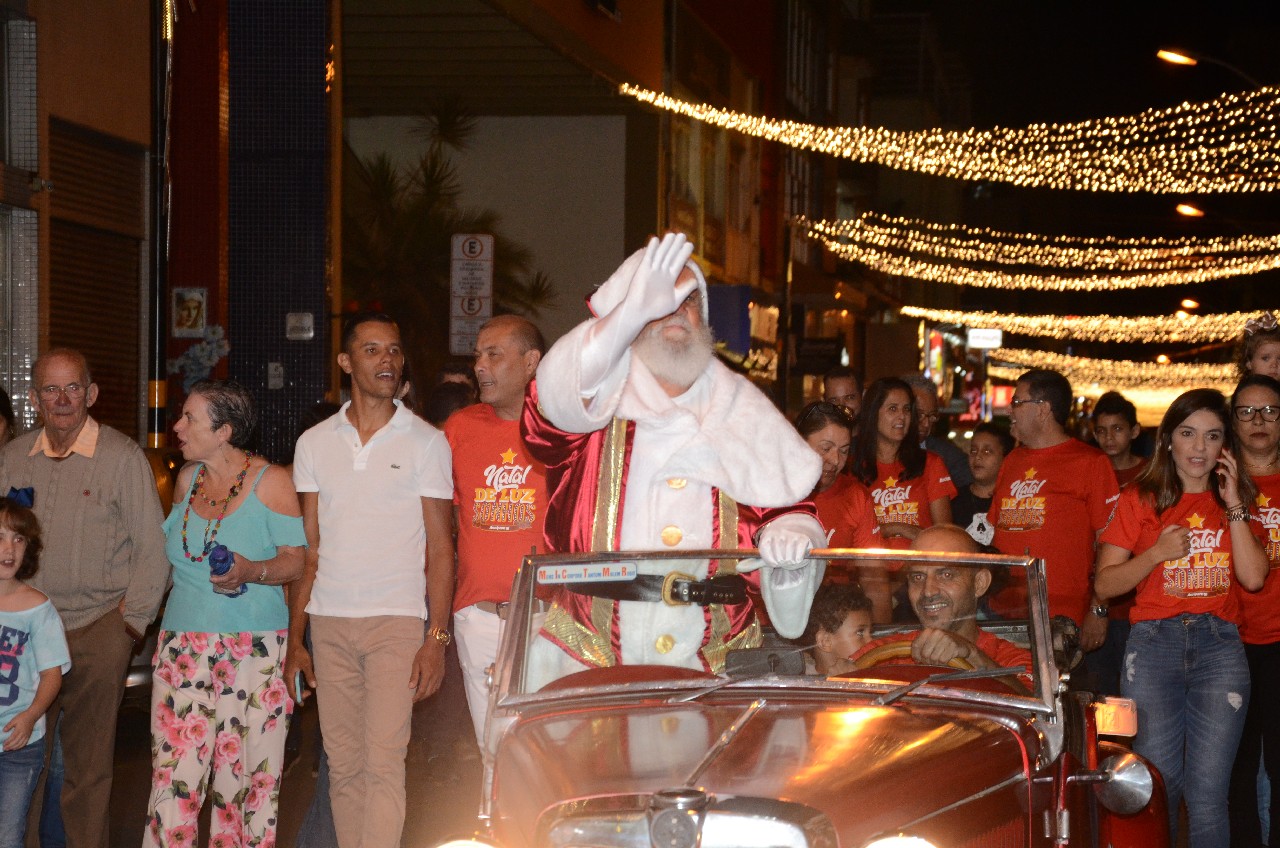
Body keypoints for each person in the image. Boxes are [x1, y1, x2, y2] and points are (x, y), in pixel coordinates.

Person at [521, 233, 826, 684]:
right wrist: (627, 315)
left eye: (688, 303)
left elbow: (785, 506)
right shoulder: (592, 408)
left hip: (715, 665)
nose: (676, 312)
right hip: (589, 657)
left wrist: (792, 534)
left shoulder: (744, 413)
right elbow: (547, 411)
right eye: (659, 303)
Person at [286, 313, 455, 848]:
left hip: (396, 624)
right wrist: (296, 638)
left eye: (395, 350)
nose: (387, 360)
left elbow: (441, 547)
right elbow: (309, 548)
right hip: (329, 623)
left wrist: (436, 638)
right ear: (346, 362)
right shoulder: (314, 442)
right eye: (373, 350)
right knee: (343, 766)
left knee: (384, 764)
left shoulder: (426, 442)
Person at [0, 348, 168, 848]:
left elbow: (153, 548)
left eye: (73, 387)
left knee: (88, 767)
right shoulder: (12, 458)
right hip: (26, 631)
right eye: (50, 389)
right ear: (34, 399)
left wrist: (130, 625)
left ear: (91, 394)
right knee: (22, 757)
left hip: (98, 628)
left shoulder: (121, 458)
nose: (63, 399)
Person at [1094, 388, 1266, 848]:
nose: (1198, 447)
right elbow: (1105, 584)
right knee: (1159, 788)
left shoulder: (1237, 498)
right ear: (1168, 439)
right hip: (1153, 647)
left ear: (1224, 446)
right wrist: (1155, 554)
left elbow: (1252, 578)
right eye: (1188, 434)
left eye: (1211, 437)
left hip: (1220, 648)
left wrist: (1233, 505)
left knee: (1210, 796)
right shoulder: (1140, 498)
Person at [143, 380, 305, 848]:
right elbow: (174, 556)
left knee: (247, 785)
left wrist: (251, 569)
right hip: (182, 649)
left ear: (225, 431)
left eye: (189, 418)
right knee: (172, 780)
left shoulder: (270, 481)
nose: (177, 426)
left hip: (252, 651)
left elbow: (296, 559)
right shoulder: (186, 478)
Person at [444, 314, 546, 743]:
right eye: (478, 355)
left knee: (543, 747)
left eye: (494, 354)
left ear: (530, 363)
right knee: (493, 751)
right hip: (479, 619)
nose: (480, 366)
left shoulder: (563, 431)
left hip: (548, 622)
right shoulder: (460, 429)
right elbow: (447, 520)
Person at [988, 369, 1118, 679]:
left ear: (1043, 408)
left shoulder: (1091, 463)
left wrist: (1098, 611)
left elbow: (1111, 544)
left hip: (1060, 619)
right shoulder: (1012, 461)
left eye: (1017, 401)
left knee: (1058, 708)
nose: (1010, 410)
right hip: (1003, 614)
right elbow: (997, 532)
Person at [853, 524, 1031, 673]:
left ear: (979, 583)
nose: (928, 591)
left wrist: (971, 655)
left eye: (946, 575)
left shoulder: (1011, 660)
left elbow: (1029, 705)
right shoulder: (882, 654)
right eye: (918, 577)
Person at [1227, 374, 1280, 847]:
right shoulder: (1213, 481)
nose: (1258, 420)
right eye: (1246, 411)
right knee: (1235, 767)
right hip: (1226, 641)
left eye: (1269, 411)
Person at [0, 494, 70, 848]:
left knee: (8, 836)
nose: (8, 548)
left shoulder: (38, 609)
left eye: (18, 538)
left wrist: (30, 716)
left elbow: (52, 675)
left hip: (17, 747)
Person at [793, 401, 886, 616]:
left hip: (836, 618)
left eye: (844, 452)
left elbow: (874, 581)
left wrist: (880, 643)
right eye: (825, 448)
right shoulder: (771, 492)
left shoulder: (855, 495)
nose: (834, 460)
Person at [850, 377, 955, 550]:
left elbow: (944, 535)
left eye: (907, 409)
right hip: (872, 571)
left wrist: (884, 530)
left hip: (921, 570)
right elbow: (850, 533)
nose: (902, 417)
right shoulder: (853, 468)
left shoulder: (931, 463)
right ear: (873, 413)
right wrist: (899, 528)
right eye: (893, 409)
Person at [904, 374, 973, 490]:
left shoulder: (948, 458)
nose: (926, 424)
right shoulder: (874, 453)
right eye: (919, 414)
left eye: (931, 416)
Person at [951, 422, 1012, 546]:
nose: (978, 457)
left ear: (1005, 458)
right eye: (973, 450)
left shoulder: (1012, 500)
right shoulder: (954, 500)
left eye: (987, 451)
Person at [804, 583, 872, 676]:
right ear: (825, 641)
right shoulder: (801, 684)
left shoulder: (872, 671)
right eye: (860, 633)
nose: (871, 641)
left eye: (870, 633)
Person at [1092, 391, 1147, 486]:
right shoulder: (1090, 472)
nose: (1108, 437)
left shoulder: (1149, 472)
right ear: (1095, 435)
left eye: (1117, 429)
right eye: (1101, 431)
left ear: (1134, 431)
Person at [1236, 312, 1280, 381]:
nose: (1274, 365)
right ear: (1249, 362)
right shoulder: (1247, 390)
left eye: (1279, 359)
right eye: (1265, 358)